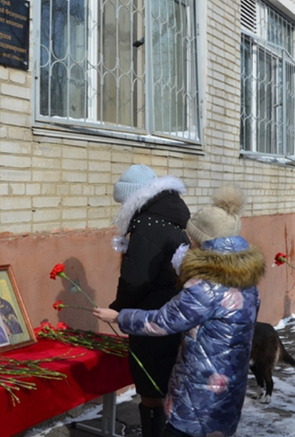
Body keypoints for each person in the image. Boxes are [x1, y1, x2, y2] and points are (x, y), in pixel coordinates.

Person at [95, 185, 265, 437]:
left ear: (205, 240)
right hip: (228, 385)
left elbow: (163, 321)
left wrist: (121, 316)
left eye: (193, 238)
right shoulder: (245, 280)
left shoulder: (207, 286)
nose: (189, 242)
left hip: (200, 392)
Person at [110, 164, 191, 437]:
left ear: (134, 197)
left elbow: (136, 277)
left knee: (151, 386)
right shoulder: (171, 218)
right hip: (173, 311)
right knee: (167, 379)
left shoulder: (147, 225)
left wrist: (119, 309)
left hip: (150, 315)